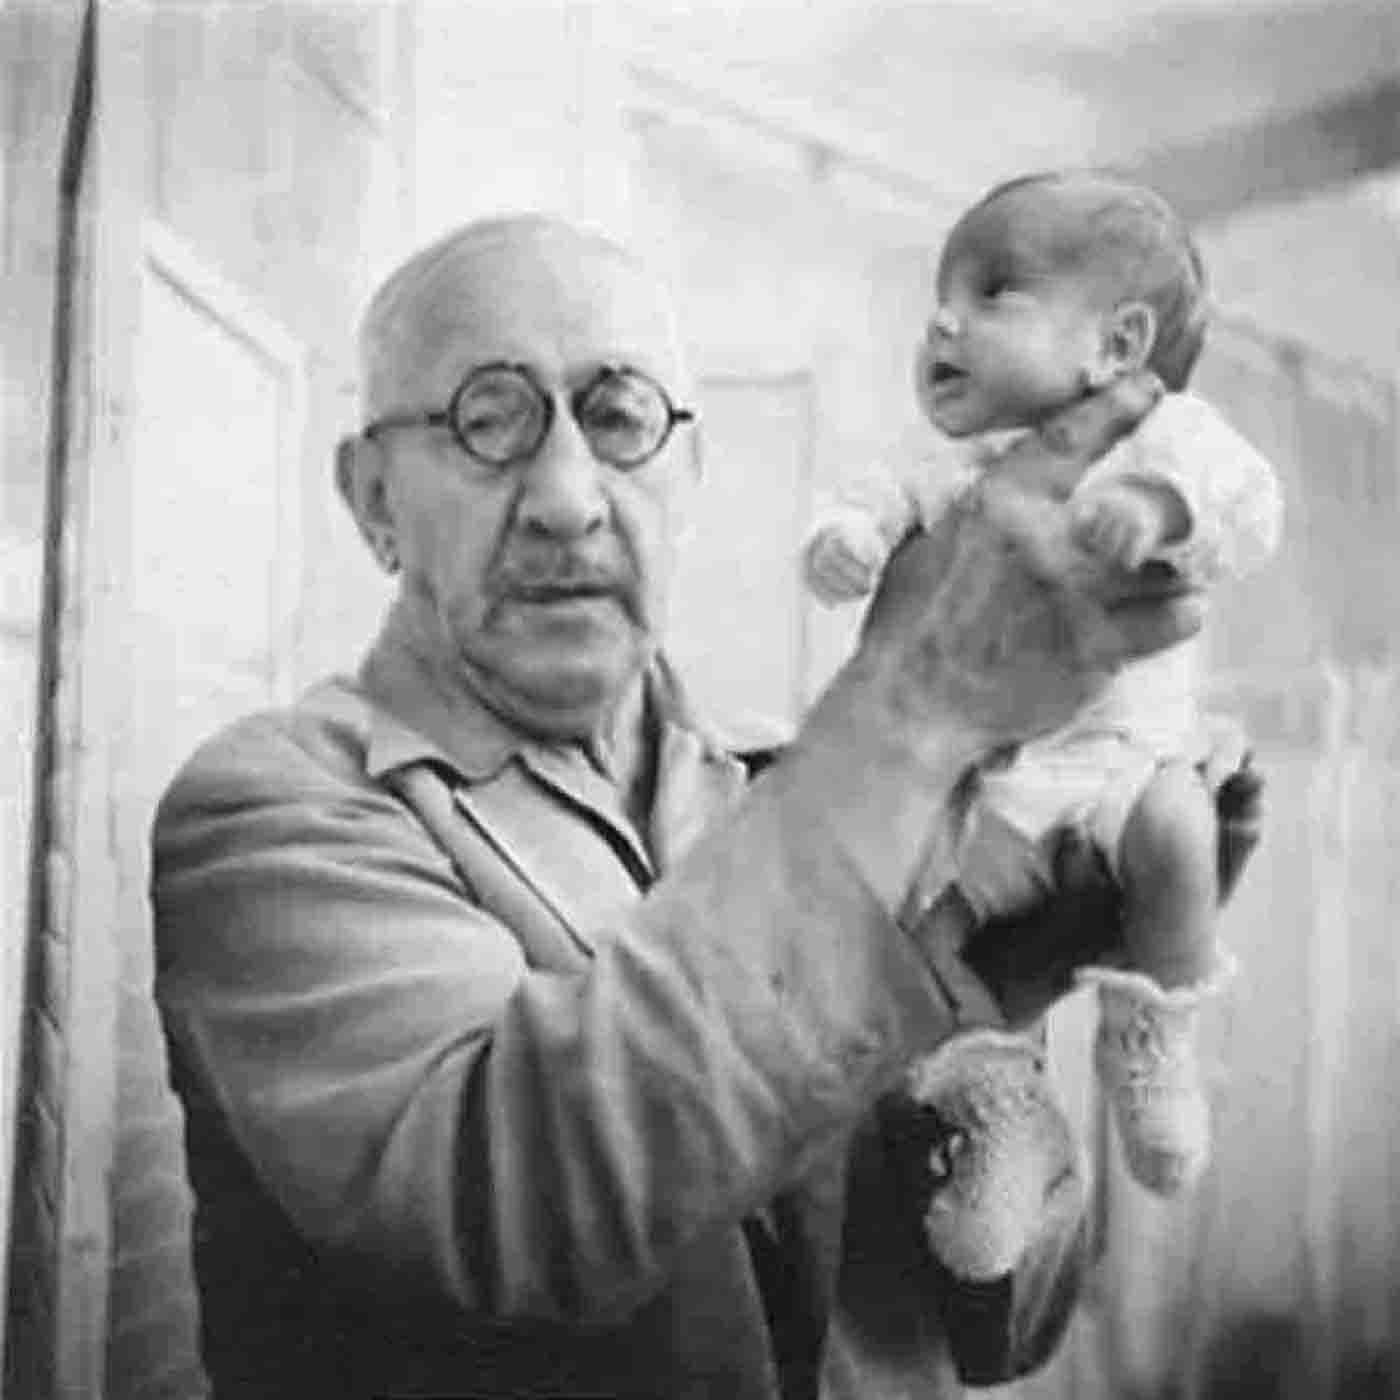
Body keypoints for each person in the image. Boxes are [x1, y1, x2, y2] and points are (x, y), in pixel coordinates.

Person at [150, 213, 1259, 1400]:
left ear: (687, 474)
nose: (568, 498)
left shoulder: (791, 796)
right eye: (487, 418)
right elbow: (519, 1202)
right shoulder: (271, 811)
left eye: (619, 416)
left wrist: (1003, 1002)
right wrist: (919, 701)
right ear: (371, 496)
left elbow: (1006, 1326)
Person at [804, 171, 1281, 1219]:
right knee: (929, 939)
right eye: (941, 291)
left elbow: (1249, 506)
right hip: (991, 783)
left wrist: (1155, 508)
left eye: (991, 292)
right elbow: (878, 498)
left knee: (1177, 828)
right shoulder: (959, 462)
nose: (942, 318)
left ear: (1113, 347)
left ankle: (1150, 1027)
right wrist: (846, 540)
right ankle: (995, 1105)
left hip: (1119, 761)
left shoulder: (1165, 437)